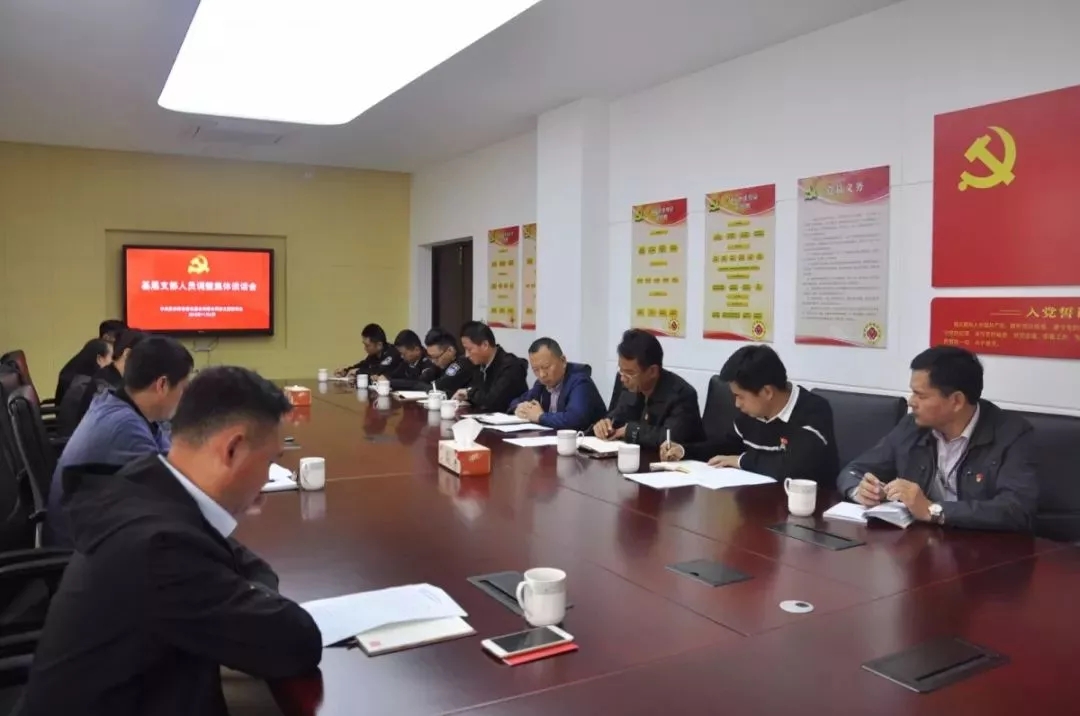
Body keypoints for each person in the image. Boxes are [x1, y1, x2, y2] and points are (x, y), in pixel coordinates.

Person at [19, 367, 323, 716]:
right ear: (233, 449)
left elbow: (247, 562)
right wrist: (252, 595)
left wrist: (248, 592)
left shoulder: (145, 480)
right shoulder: (160, 549)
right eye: (269, 460)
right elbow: (297, 642)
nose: (267, 477)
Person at [838, 345, 1037, 531]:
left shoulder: (1011, 434)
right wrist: (861, 491)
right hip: (923, 544)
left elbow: (1016, 509)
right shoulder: (912, 426)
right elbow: (854, 470)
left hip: (985, 549)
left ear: (956, 401)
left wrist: (933, 510)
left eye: (921, 396)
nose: (911, 402)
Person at [45, 336, 193, 547]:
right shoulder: (124, 427)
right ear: (162, 385)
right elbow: (176, 494)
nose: (184, 398)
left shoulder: (115, 402)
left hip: (94, 531)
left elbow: (169, 457)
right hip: (79, 549)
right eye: (184, 388)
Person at [660, 345, 838, 481]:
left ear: (767, 392)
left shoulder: (814, 412)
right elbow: (726, 448)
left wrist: (740, 461)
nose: (737, 404)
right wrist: (684, 451)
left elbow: (792, 468)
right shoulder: (752, 413)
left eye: (740, 396)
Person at [593, 329, 703, 448]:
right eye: (621, 370)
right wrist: (604, 425)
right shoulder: (629, 385)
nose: (623, 378)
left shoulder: (682, 395)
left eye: (630, 373)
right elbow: (618, 416)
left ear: (652, 371)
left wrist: (631, 431)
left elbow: (670, 438)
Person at [508, 337, 606, 431]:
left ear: (563, 361)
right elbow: (516, 401)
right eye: (536, 370)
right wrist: (520, 407)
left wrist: (540, 417)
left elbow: (575, 420)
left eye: (546, 367)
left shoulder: (580, 382)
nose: (542, 375)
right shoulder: (540, 384)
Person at [452, 321, 527, 413]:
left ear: (485, 345)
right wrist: (466, 398)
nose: (467, 355)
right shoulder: (479, 364)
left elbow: (492, 401)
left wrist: (469, 394)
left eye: (469, 349)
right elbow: (477, 393)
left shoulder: (511, 366)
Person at [392, 328, 474, 395]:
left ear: (450, 350)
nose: (433, 361)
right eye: (430, 357)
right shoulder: (438, 366)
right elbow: (421, 381)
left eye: (436, 357)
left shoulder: (460, 365)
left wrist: (392, 383)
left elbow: (436, 389)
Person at [53, 338, 112, 403]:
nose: (114, 361)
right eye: (112, 357)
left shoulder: (73, 373)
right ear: (99, 359)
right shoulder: (84, 385)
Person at [336, 323, 402, 378]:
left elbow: (379, 371)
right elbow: (363, 365)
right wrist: (346, 371)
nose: (365, 348)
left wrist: (358, 371)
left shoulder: (393, 353)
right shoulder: (374, 355)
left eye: (367, 345)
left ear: (379, 345)